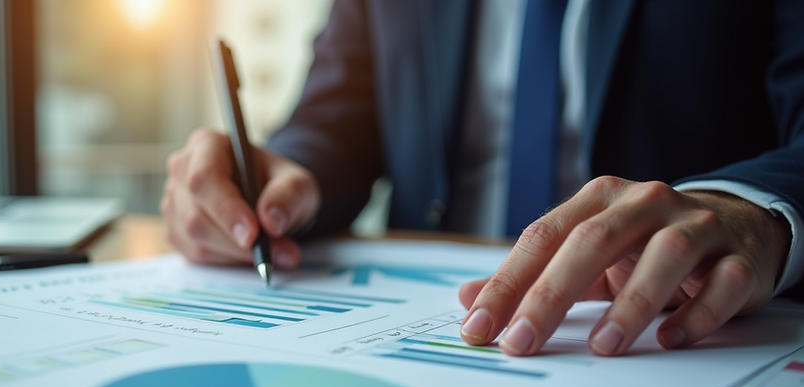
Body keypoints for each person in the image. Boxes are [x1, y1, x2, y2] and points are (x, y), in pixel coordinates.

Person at [162, 0, 804, 357]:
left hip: (668, 320)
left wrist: (747, 208)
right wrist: (280, 176)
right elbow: (338, 117)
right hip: (423, 325)